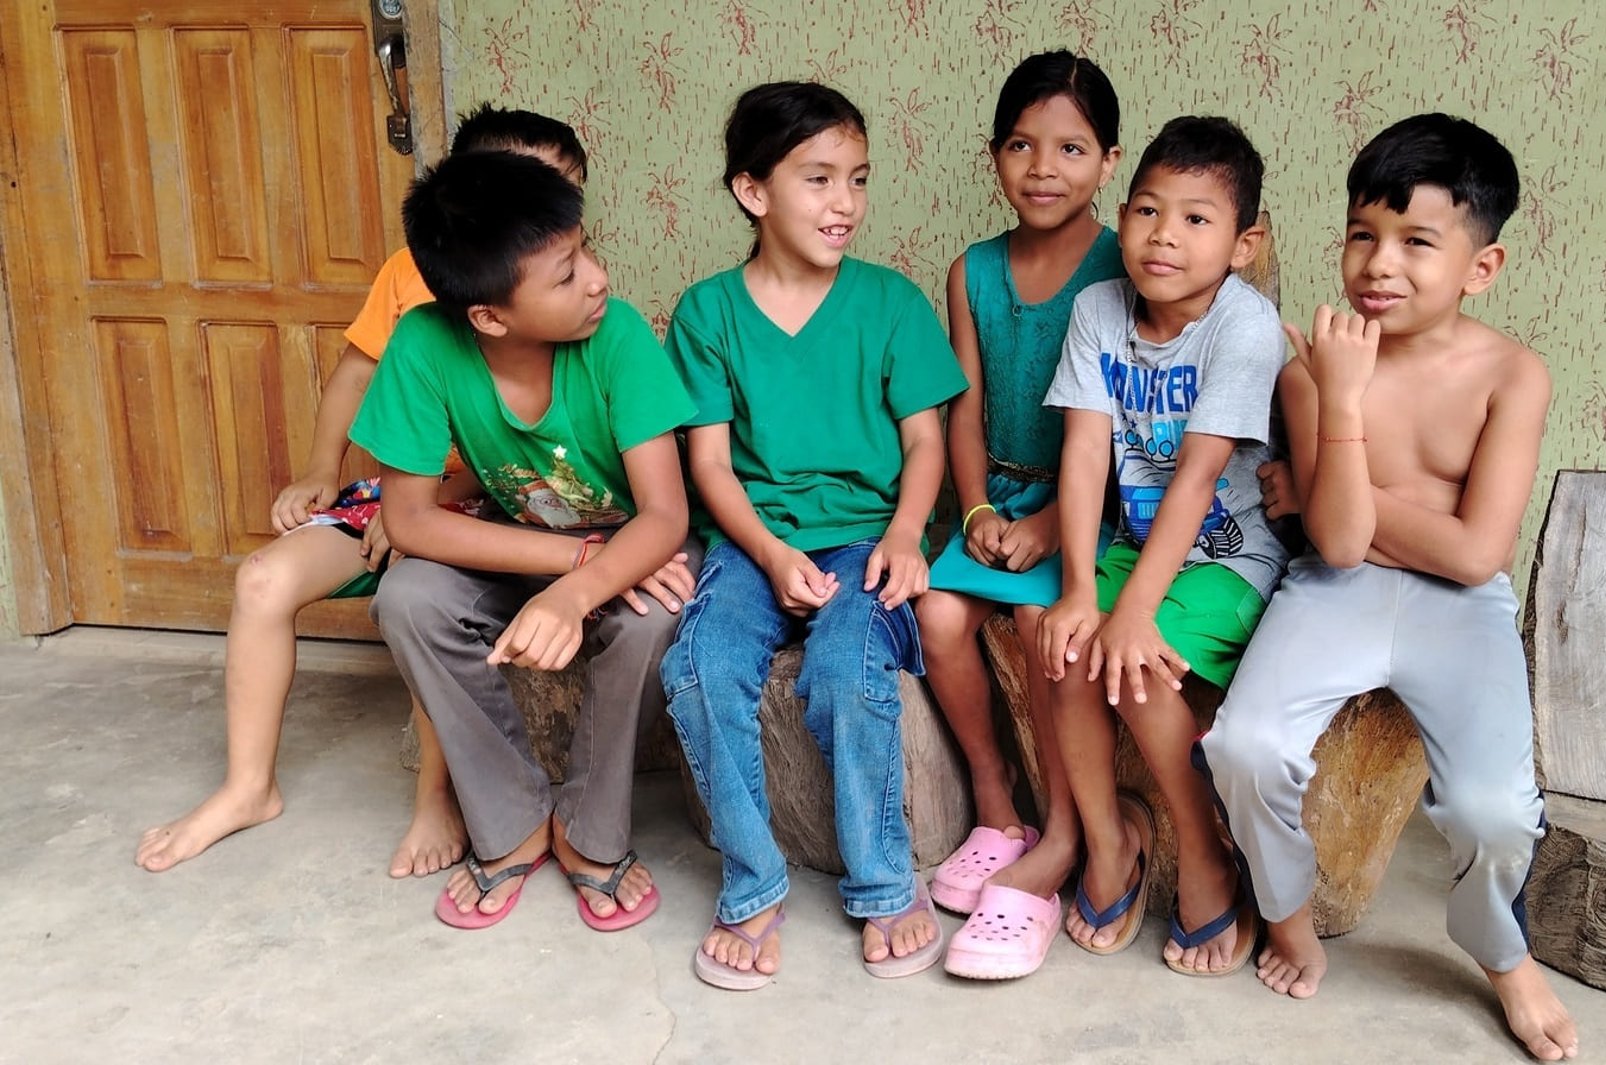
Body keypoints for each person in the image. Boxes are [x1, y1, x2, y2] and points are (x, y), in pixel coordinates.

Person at [132, 106, 634, 878]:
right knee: (262, 578)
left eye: (564, 199)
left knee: (415, 586)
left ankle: (436, 796)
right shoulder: (414, 282)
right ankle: (246, 786)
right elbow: (356, 373)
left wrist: (424, 515)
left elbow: (541, 456)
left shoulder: (567, 295)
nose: (548, 217)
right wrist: (319, 471)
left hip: (490, 496)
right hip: (406, 488)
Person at [1199, 113, 1579, 1060]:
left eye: (1417, 242)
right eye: (1364, 235)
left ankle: (1501, 950)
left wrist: (1336, 481)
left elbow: (1473, 554)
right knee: (1243, 746)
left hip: (1461, 614)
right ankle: (1285, 912)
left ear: (1479, 268)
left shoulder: (1512, 376)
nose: (1380, 264)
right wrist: (1343, 400)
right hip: (1340, 589)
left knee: (1496, 811)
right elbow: (1334, 543)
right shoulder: (1312, 370)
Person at [660, 81, 968, 989]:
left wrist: (909, 534)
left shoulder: (890, 302)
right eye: (819, 179)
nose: (846, 204)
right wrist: (769, 554)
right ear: (753, 192)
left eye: (858, 179)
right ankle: (753, 882)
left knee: (845, 669)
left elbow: (925, 438)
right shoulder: (708, 312)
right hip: (754, 542)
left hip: (867, 537)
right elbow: (711, 467)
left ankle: (882, 884)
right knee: (700, 664)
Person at [355, 149, 693, 931]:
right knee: (406, 597)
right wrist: (572, 563)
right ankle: (510, 819)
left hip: (637, 545)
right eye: (566, 272)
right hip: (532, 544)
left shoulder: (617, 337)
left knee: (649, 619)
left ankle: (588, 830)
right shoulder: (423, 346)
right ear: (489, 316)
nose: (598, 278)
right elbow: (407, 520)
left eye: (586, 250)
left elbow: (665, 516)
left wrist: (584, 588)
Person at [1041, 116, 1285, 977]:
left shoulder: (1244, 327)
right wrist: (1080, 591)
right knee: (1066, 650)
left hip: (1228, 556)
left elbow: (1194, 476)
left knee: (1138, 666)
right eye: (1147, 210)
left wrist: (1135, 612)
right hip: (1131, 542)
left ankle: (1205, 848)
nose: (1163, 236)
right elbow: (1082, 453)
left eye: (1194, 218)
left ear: (1243, 242)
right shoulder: (1097, 311)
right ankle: (1110, 845)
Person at [914, 50, 1127, 982]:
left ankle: (1070, 832)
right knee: (940, 613)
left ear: (1109, 162)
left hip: (1090, 503)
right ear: (994, 156)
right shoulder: (972, 271)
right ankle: (1000, 808)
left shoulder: (1129, 260)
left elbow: (1131, 420)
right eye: (1021, 145)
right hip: (990, 493)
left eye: (1071, 148)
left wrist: (1049, 527)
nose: (1044, 167)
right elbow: (963, 405)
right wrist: (969, 511)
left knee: (1045, 625)